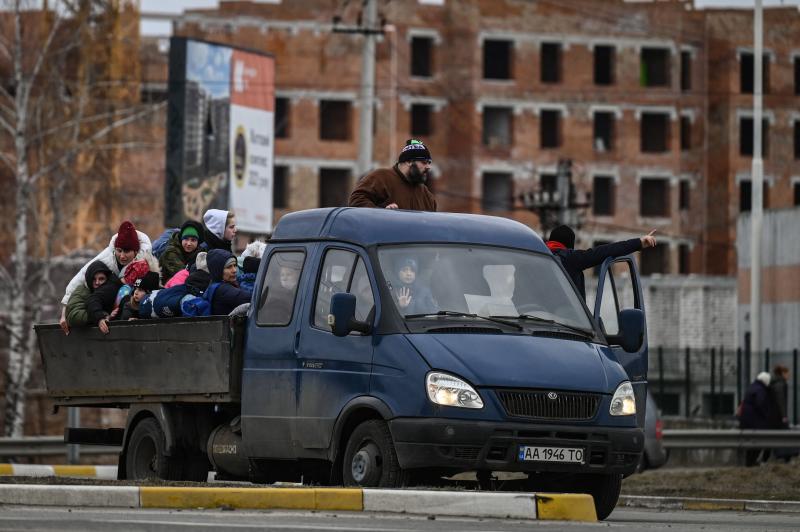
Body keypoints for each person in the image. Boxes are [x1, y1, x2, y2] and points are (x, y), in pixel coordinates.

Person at [59, 220, 152, 334]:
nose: (122, 256)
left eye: (127, 251)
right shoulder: (107, 258)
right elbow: (81, 276)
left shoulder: (145, 261)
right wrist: (64, 311)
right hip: (108, 298)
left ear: (136, 251)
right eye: (119, 251)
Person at [546, 225, 657, 300]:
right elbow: (606, 251)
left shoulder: (533, 256)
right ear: (570, 245)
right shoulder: (571, 258)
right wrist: (639, 243)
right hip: (568, 326)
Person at [348, 139, 437, 211]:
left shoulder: (426, 194)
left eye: (429, 163)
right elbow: (356, 199)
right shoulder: (381, 177)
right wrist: (382, 212)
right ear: (409, 161)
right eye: (424, 162)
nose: (428, 167)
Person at [740, 372, 774, 466]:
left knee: (751, 443)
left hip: (747, 420)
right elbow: (760, 404)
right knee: (758, 442)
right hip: (755, 421)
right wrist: (766, 414)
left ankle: (749, 463)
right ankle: (751, 463)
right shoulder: (761, 390)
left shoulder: (752, 387)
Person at [206, 249, 252, 315]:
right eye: (229, 267)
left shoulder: (215, 284)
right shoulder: (223, 290)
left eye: (235, 265)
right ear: (218, 270)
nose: (234, 270)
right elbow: (253, 298)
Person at [159, 220, 204, 284]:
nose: (189, 243)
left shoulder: (200, 253)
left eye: (193, 240)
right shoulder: (171, 253)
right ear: (181, 239)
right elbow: (182, 275)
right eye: (186, 239)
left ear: (198, 242)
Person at [84, 261, 122, 335]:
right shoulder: (84, 290)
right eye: (94, 279)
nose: (97, 282)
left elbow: (94, 299)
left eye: (101, 279)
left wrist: (100, 318)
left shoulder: (109, 288)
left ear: (107, 279)